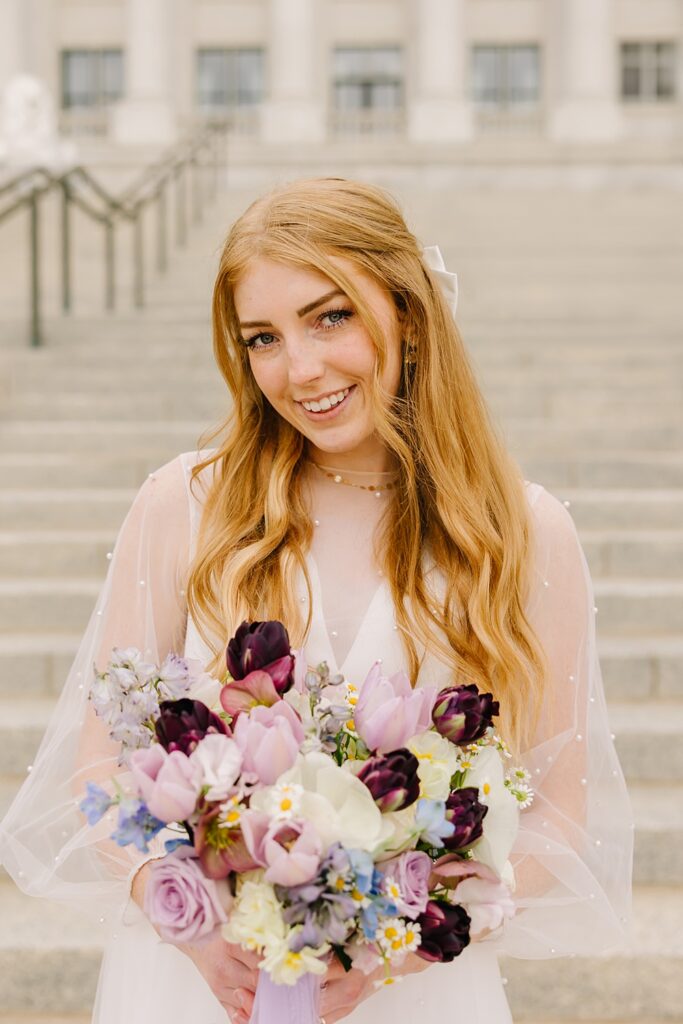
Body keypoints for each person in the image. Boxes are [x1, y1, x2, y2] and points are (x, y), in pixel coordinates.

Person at [0, 177, 633, 1023]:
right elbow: (99, 765)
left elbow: (557, 810)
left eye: (330, 316)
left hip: (414, 989)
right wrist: (180, 912)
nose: (299, 370)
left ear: (406, 314)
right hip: (198, 985)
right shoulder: (183, 505)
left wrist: (388, 946)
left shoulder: (523, 531)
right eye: (262, 337)